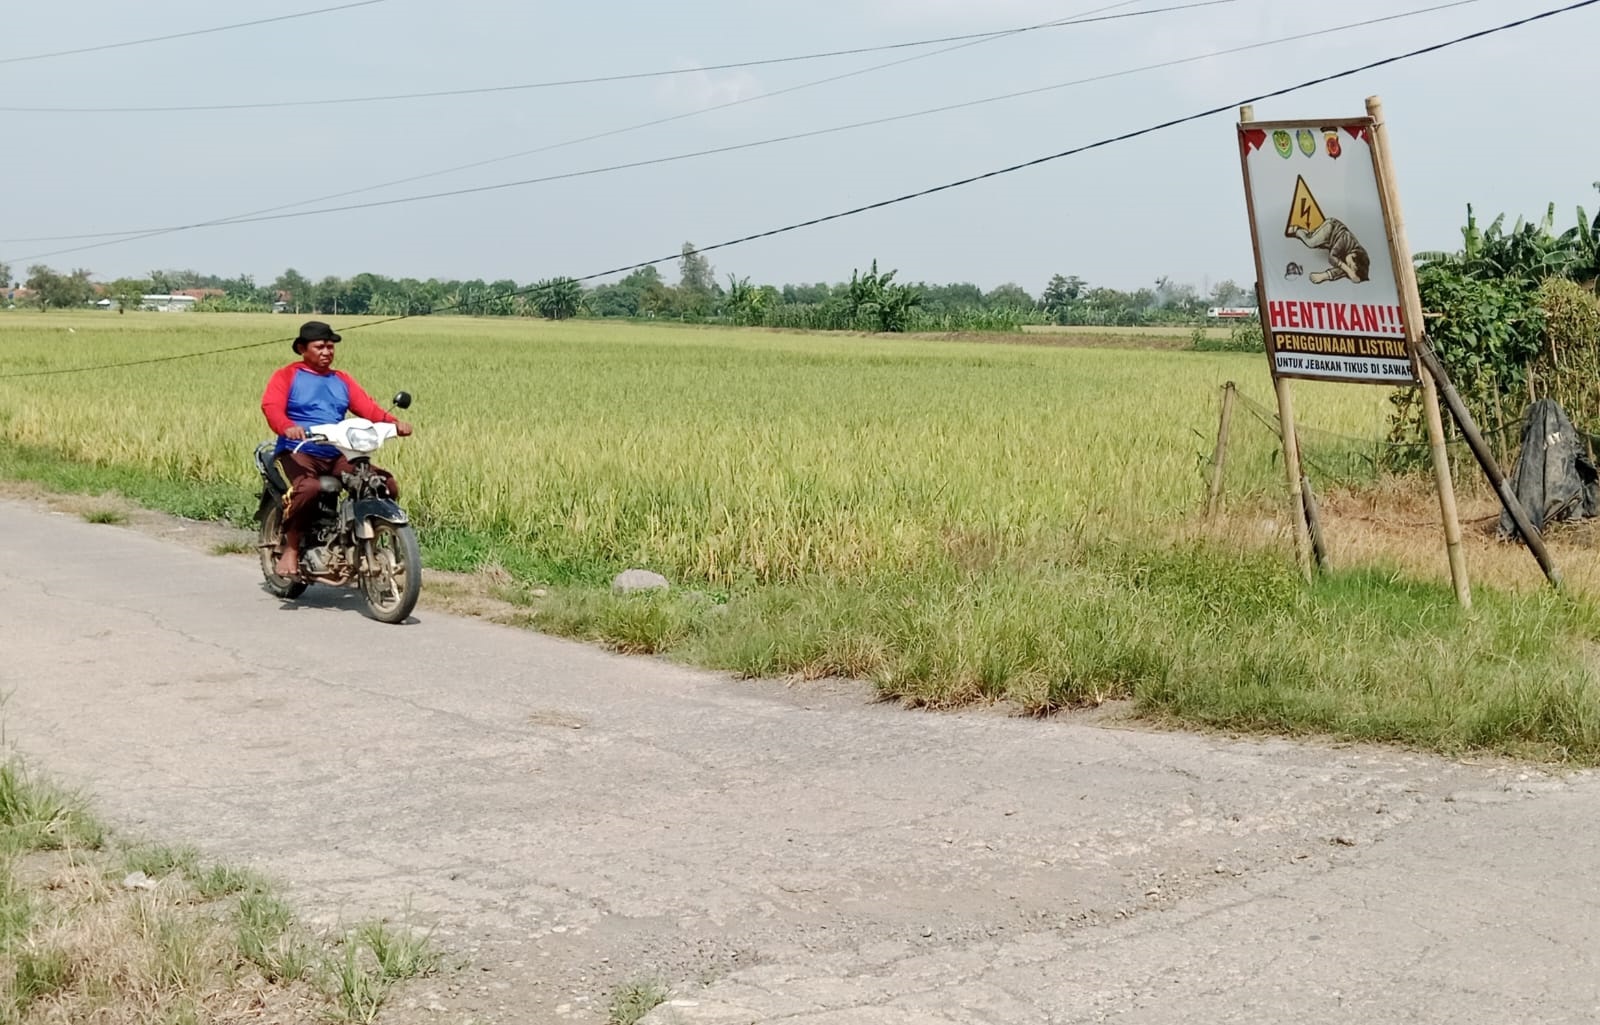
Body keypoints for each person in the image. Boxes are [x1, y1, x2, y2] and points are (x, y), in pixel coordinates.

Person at [261, 320, 413, 578]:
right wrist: (287, 426)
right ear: (302, 348)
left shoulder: (341, 379)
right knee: (308, 488)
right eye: (320, 346)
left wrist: (394, 423)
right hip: (299, 449)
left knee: (383, 483)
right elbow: (271, 407)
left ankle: (362, 537)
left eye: (330, 347)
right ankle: (292, 546)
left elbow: (368, 408)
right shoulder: (286, 375)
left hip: (336, 451)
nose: (327, 352)